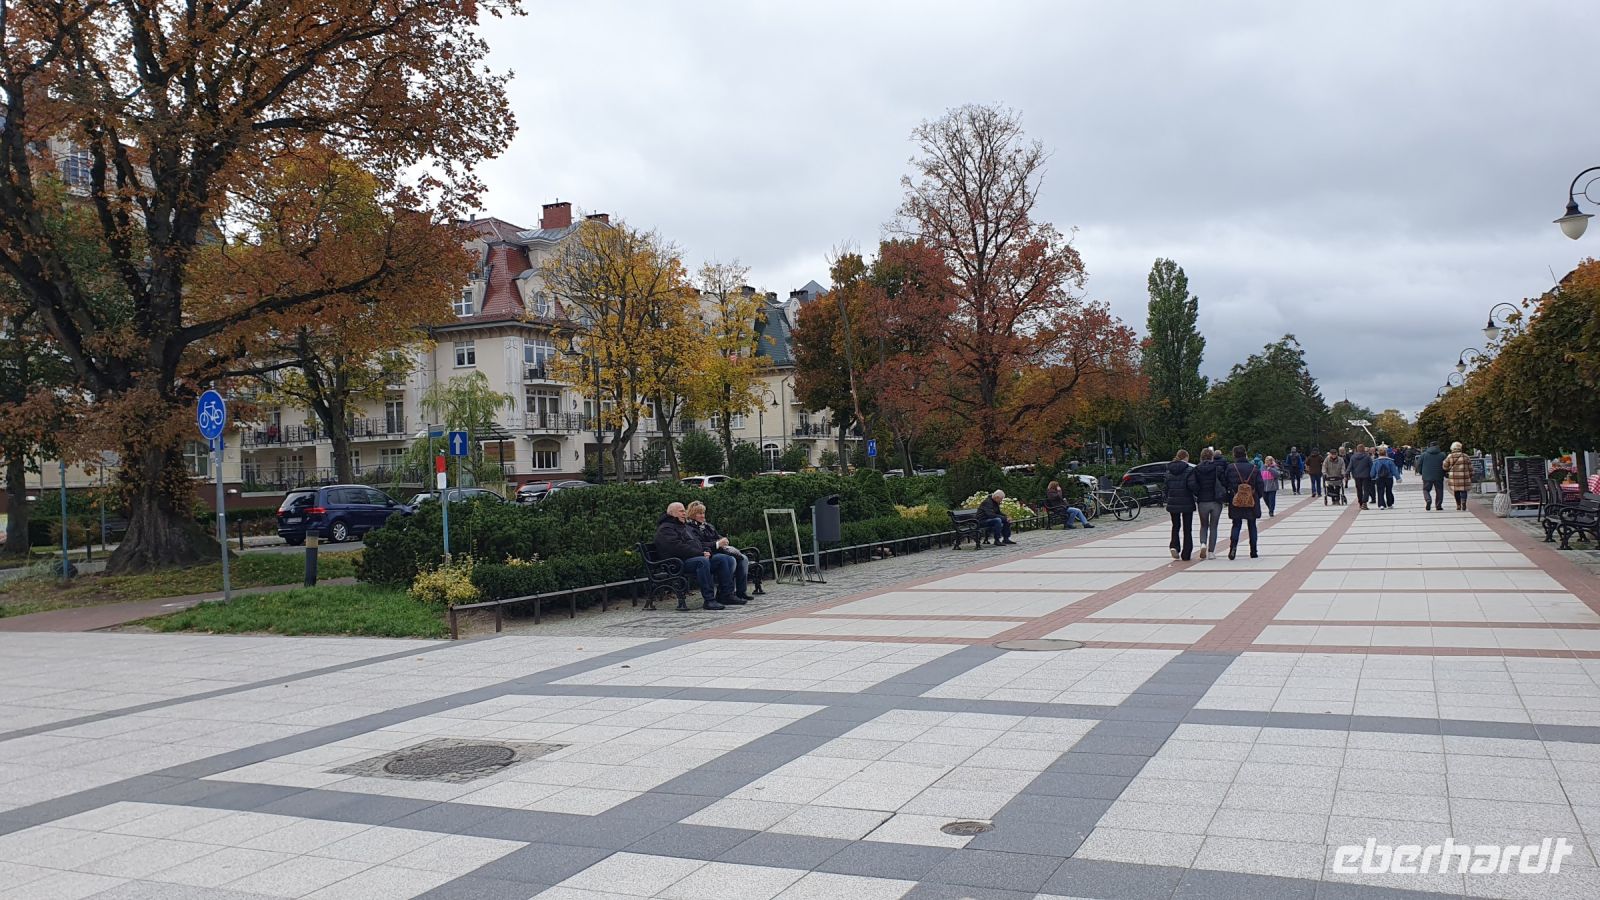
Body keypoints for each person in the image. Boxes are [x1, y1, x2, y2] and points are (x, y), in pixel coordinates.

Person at [654, 502, 734, 610]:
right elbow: (678, 548)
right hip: (676, 563)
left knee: (723, 558)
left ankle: (726, 595)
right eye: (681, 511)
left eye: (684, 511)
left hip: (690, 558)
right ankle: (709, 600)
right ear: (672, 513)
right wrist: (700, 553)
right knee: (702, 561)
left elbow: (697, 543)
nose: (684, 513)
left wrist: (706, 550)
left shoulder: (684, 526)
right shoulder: (666, 529)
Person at [686, 500, 751, 604]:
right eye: (699, 513)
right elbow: (699, 544)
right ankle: (725, 593)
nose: (703, 516)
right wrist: (717, 544)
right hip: (708, 555)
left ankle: (740, 592)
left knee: (743, 558)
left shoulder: (708, 526)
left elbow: (717, 537)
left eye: (703, 513)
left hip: (718, 552)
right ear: (692, 515)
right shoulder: (689, 528)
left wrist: (723, 541)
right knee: (730, 560)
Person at [1222, 445, 1264, 559]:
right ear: (1245, 454)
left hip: (1236, 500)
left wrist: (1231, 496)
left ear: (1234, 455)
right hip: (1251, 500)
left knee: (1236, 525)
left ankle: (1233, 548)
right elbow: (1261, 485)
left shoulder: (1231, 468)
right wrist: (1255, 496)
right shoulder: (1254, 468)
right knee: (1252, 525)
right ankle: (1253, 550)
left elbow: (1226, 483)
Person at [1189, 448, 1226, 560]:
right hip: (1216, 501)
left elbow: (1192, 484)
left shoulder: (1196, 469)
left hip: (1203, 501)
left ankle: (1203, 543)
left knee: (1204, 525)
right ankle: (1211, 552)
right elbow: (1224, 482)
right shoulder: (1217, 468)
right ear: (1212, 457)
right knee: (1214, 526)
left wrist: (1198, 492)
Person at [1164, 450, 1196, 560]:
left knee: (1175, 526)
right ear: (1186, 457)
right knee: (1187, 528)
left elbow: (1166, 486)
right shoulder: (1189, 470)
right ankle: (1186, 553)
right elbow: (1192, 486)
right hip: (1187, 502)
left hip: (1173, 502)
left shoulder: (1169, 470)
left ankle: (1174, 545)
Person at [1417, 442, 1446, 511]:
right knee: (1439, 490)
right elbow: (1445, 465)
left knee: (1426, 489)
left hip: (1427, 475)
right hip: (1439, 475)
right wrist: (1444, 473)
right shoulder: (1442, 455)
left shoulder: (1424, 455)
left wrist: (1421, 472)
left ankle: (1428, 499)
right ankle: (1438, 505)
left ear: (1429, 446)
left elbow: (1418, 464)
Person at [1444, 442, 1474, 511]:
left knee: (1456, 491)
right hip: (1464, 476)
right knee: (1464, 490)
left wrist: (1448, 469)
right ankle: (1463, 502)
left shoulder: (1450, 456)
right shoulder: (1465, 456)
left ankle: (1458, 505)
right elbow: (1470, 467)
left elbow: (1445, 466)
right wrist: (1471, 474)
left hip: (1454, 477)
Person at [1348, 444, 1374, 510]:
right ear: (1363, 449)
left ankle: (1360, 502)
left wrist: (1346, 473)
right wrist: (1373, 474)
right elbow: (1371, 466)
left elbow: (1350, 466)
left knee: (1359, 490)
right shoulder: (1367, 457)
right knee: (1366, 490)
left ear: (1357, 449)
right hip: (1366, 476)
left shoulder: (1353, 457)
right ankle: (1364, 502)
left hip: (1356, 476)